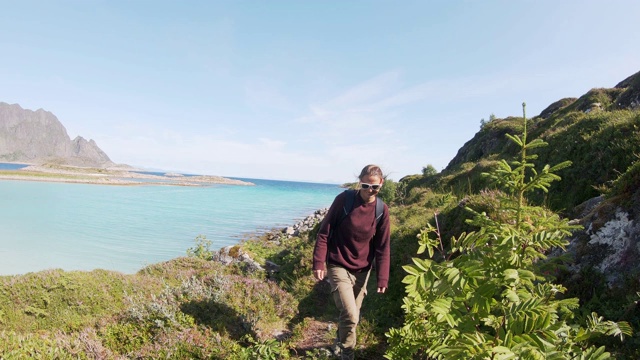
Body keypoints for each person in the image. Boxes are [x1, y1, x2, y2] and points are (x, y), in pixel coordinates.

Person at [313, 164, 391, 360]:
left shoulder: (382, 210)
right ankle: (348, 354)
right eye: (365, 186)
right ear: (360, 183)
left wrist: (382, 278)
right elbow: (324, 232)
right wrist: (318, 262)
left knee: (351, 316)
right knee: (351, 315)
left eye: (374, 187)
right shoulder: (344, 200)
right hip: (338, 264)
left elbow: (382, 246)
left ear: (381, 184)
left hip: (362, 271)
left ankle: (339, 343)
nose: (370, 191)